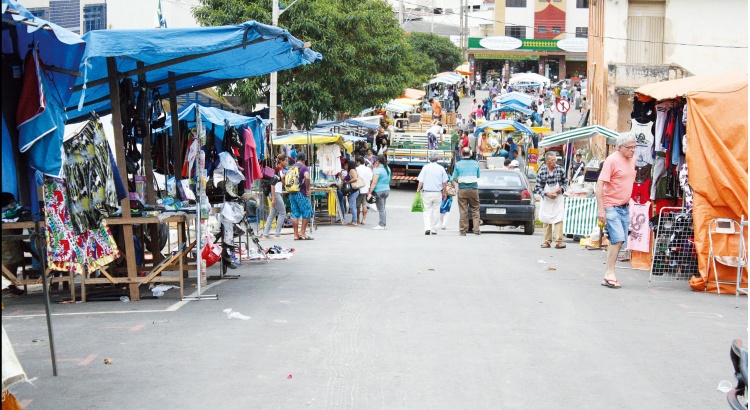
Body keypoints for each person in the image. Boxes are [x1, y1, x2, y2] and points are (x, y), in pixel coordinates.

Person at [596, 134, 637, 289]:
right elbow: (599, 186)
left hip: (625, 206)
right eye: (630, 147)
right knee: (618, 239)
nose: (633, 150)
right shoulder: (612, 160)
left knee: (618, 241)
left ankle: (608, 273)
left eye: (634, 147)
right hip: (611, 205)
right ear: (620, 147)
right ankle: (610, 273)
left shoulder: (633, 160)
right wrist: (601, 210)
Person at [535, 152, 567, 249]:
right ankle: (547, 241)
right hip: (547, 199)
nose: (554, 162)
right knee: (546, 218)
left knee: (559, 218)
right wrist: (546, 194)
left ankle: (559, 241)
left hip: (558, 199)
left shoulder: (560, 170)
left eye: (555, 160)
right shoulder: (542, 171)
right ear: (547, 161)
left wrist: (560, 189)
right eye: (552, 160)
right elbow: (537, 188)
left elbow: (565, 183)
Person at [417, 151, 449, 235]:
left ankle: (427, 228)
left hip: (427, 192)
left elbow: (421, 181)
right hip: (437, 193)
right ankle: (434, 229)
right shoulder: (441, 168)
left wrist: (418, 190)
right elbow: (444, 182)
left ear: (429, 158)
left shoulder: (425, 167)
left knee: (427, 211)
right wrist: (444, 192)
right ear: (438, 159)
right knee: (436, 210)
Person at [452, 147, 481, 236]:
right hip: (473, 189)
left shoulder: (458, 164)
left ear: (461, 154)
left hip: (462, 190)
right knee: (475, 210)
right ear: (470, 154)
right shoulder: (476, 164)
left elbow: (455, 178)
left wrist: (460, 181)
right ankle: (476, 229)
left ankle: (463, 230)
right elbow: (478, 176)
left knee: (463, 210)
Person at [288, 152, 314, 240]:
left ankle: (295, 235)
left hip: (292, 193)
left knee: (295, 213)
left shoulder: (291, 167)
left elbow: (283, 177)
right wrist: (307, 189)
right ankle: (302, 232)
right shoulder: (304, 167)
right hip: (301, 193)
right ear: (304, 159)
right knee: (307, 211)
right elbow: (307, 177)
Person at [262, 154, 287, 239]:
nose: (287, 162)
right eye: (285, 161)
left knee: (272, 214)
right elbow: (273, 185)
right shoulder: (276, 170)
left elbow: (282, 183)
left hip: (276, 193)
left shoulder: (280, 170)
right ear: (281, 161)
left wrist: (283, 178)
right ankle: (277, 234)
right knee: (282, 212)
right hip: (275, 193)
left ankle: (265, 234)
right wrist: (274, 198)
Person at [367, 154, 391, 230]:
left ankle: (381, 224)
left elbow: (374, 182)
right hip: (386, 190)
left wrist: (370, 192)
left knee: (381, 209)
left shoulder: (377, 170)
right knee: (383, 208)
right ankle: (383, 223)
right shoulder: (387, 168)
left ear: (377, 161)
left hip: (379, 191)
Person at [340, 160, 360, 226]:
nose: (345, 166)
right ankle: (353, 220)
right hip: (352, 191)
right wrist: (340, 175)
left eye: (346, 165)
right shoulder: (349, 171)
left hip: (354, 191)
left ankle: (354, 221)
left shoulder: (352, 170)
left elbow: (355, 178)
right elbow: (344, 179)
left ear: (349, 165)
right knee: (352, 206)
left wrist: (348, 182)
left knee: (352, 206)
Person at [355, 156, 373, 225]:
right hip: (366, 189)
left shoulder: (356, 169)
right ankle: (363, 220)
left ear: (358, 162)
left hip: (358, 189)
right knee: (365, 205)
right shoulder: (368, 169)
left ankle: (358, 219)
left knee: (357, 205)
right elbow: (371, 179)